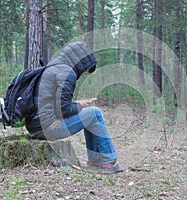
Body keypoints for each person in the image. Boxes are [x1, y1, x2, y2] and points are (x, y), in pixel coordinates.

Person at [26, 41, 124, 173]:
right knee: (95, 113)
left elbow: (56, 104)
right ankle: (109, 161)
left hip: (36, 127)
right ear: (80, 63)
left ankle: (96, 159)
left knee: (89, 115)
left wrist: (78, 104)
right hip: (49, 127)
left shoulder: (54, 68)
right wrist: (80, 105)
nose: (83, 74)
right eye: (85, 71)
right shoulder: (67, 73)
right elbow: (63, 110)